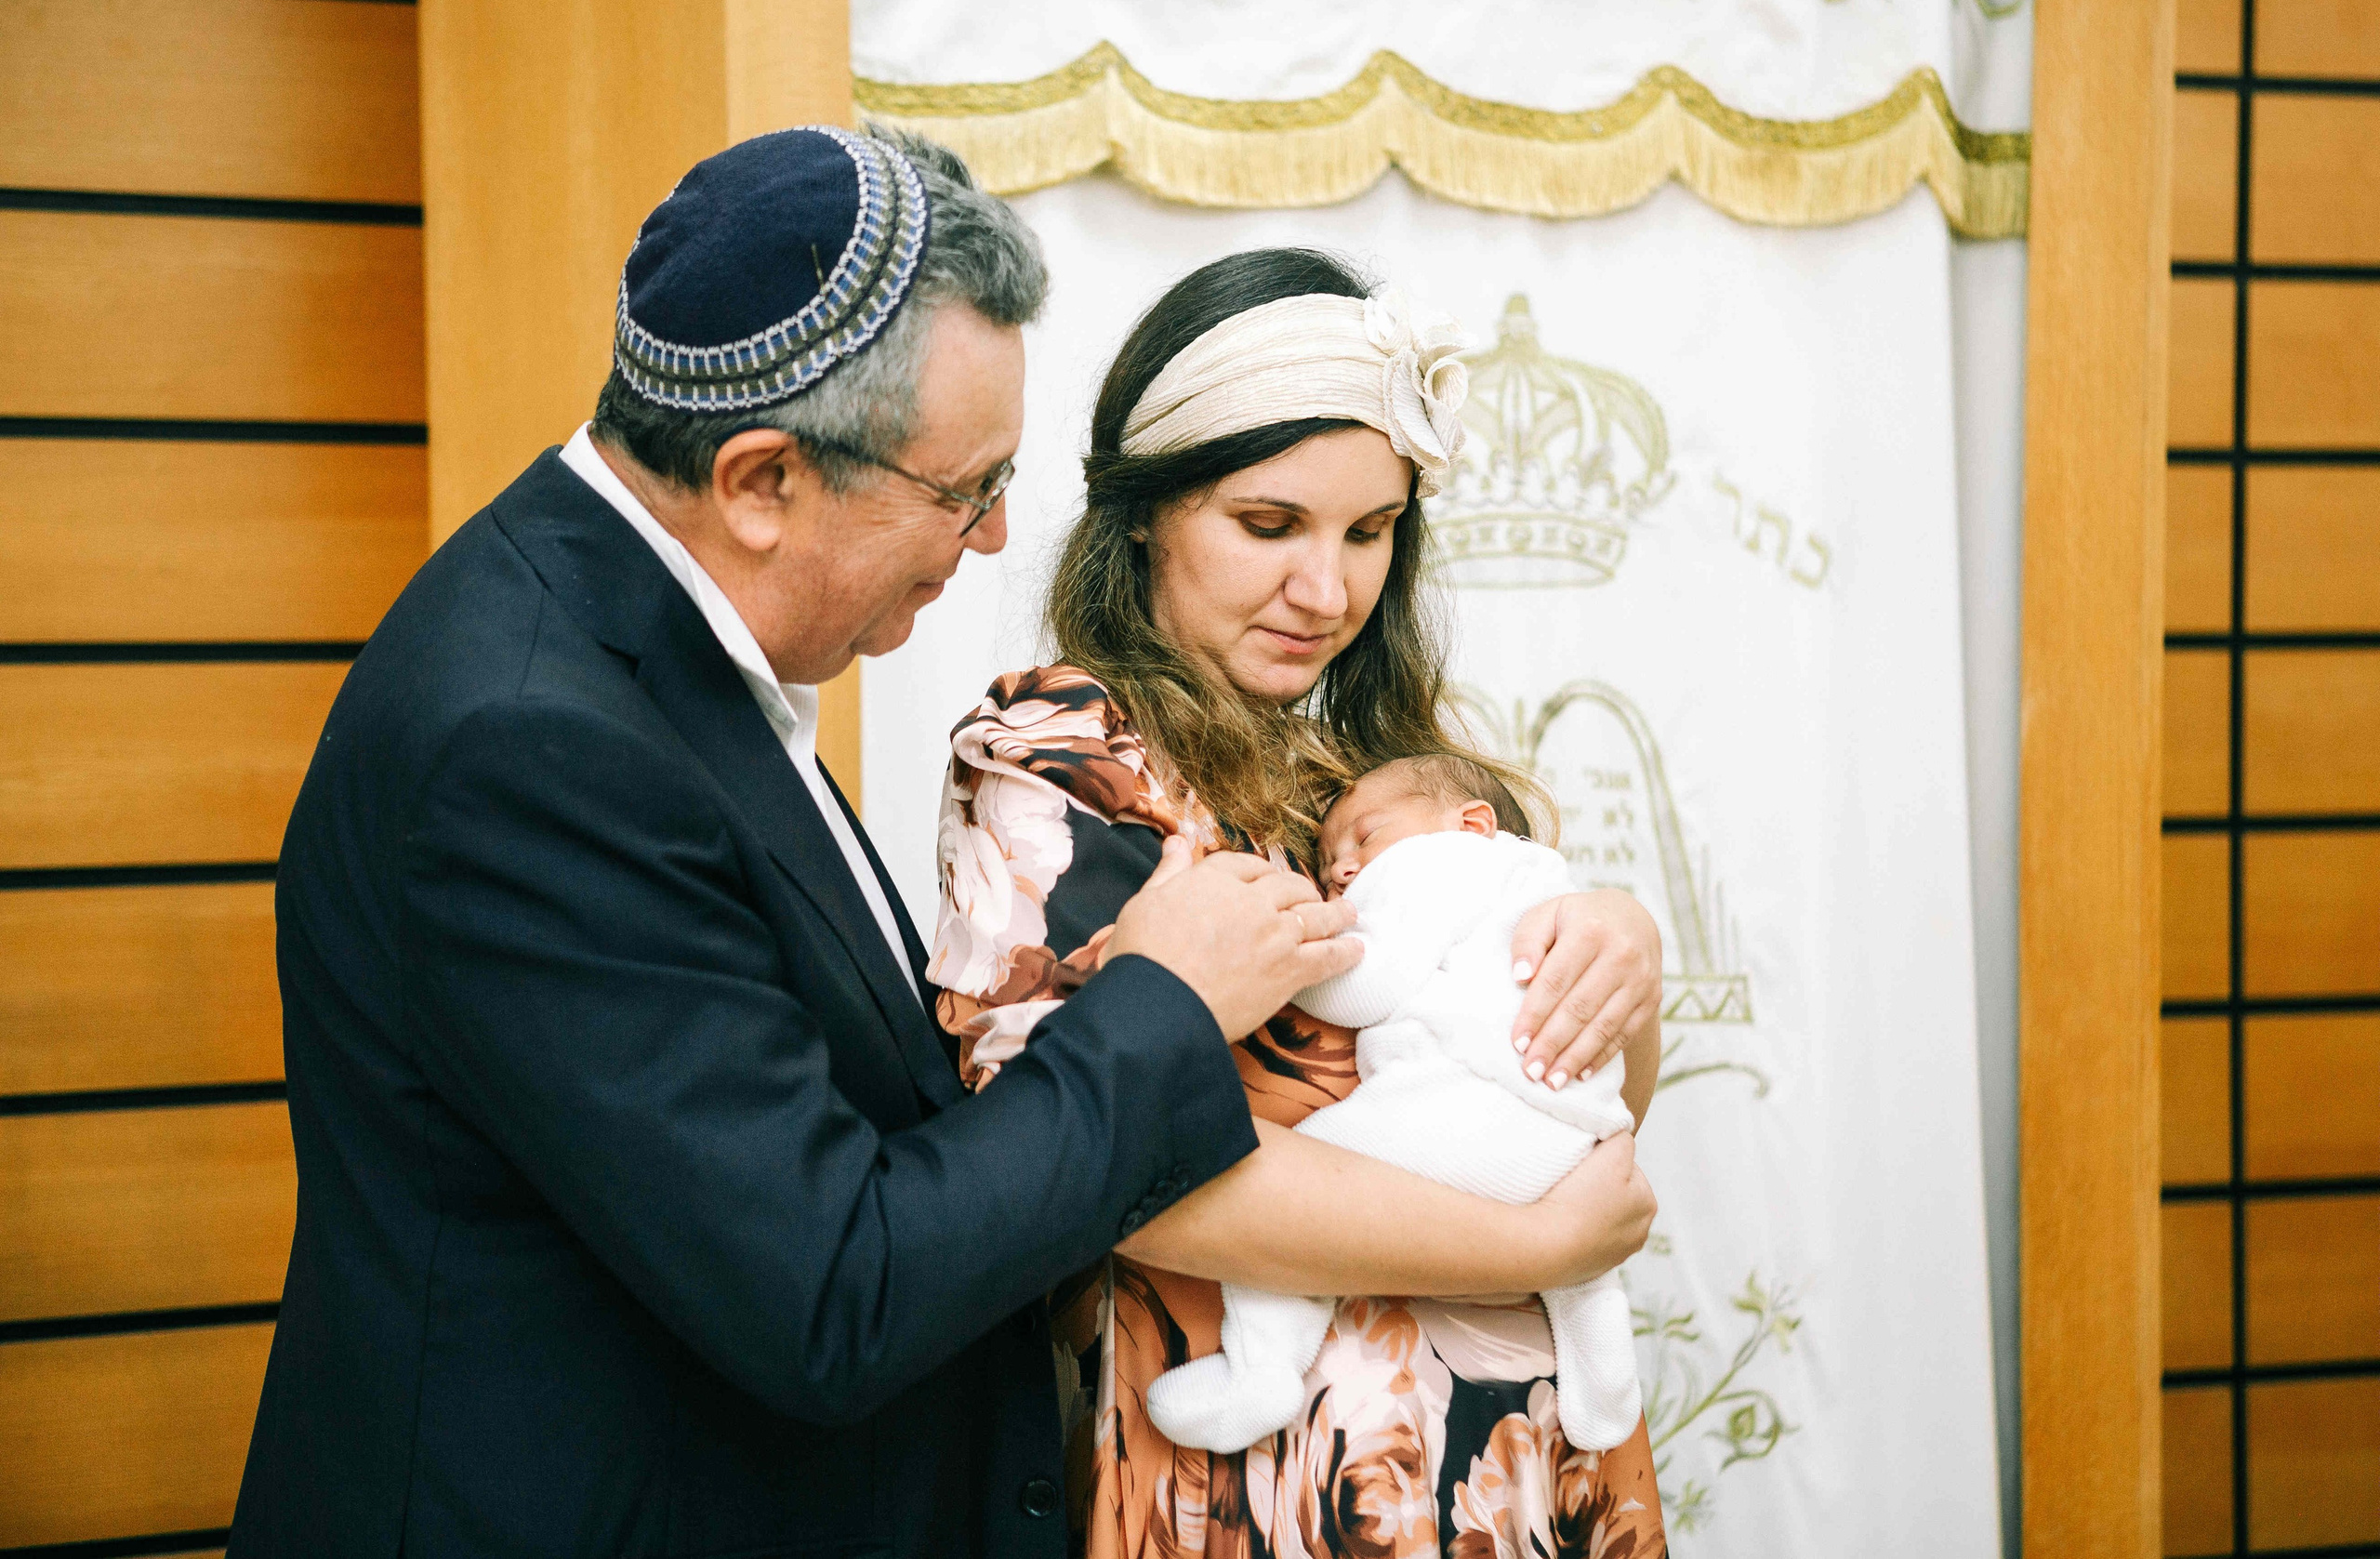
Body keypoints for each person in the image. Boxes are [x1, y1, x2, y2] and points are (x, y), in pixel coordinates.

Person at [227, 127, 1646, 1559]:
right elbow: (828, 1282)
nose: (992, 537)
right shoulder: (530, 740)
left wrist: (1604, 956)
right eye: (962, 488)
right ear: (762, 478)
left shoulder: (650, 656)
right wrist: (1162, 997)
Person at [932, 249, 1670, 1555]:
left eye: (1369, 532)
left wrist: (1614, 948)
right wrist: (1531, 1244)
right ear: (1147, 511)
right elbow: (1098, 1176)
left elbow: (1554, 1099)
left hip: (1494, 1455)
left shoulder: (1370, 780)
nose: (1327, 590)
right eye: (1270, 524)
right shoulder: (1062, 751)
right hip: (1266, 1484)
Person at [1146, 755, 1644, 1459]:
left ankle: (1261, 1370)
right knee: (1580, 1271)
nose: (1343, 867)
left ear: (1471, 823)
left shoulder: (1441, 865)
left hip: (1474, 1105)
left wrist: (1290, 952)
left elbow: (1367, 984)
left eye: (1365, 836)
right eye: (1326, 859)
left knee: (1308, 1182)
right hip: (1573, 1134)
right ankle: (1606, 1387)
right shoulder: (1535, 882)